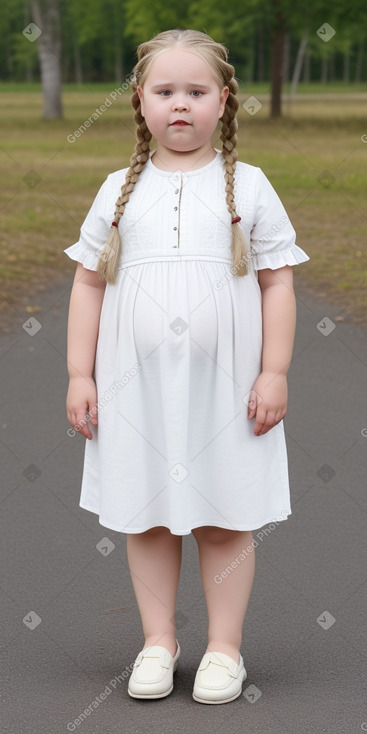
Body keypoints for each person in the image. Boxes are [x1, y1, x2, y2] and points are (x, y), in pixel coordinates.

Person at [65, 28, 309, 705]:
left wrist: (275, 371)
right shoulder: (119, 190)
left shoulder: (250, 188)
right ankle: (156, 640)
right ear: (139, 101)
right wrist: (81, 375)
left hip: (225, 390)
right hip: (134, 391)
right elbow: (88, 284)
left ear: (223, 101)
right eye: (164, 91)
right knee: (144, 514)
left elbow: (277, 283)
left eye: (195, 92)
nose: (180, 105)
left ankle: (224, 648)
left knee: (224, 514)